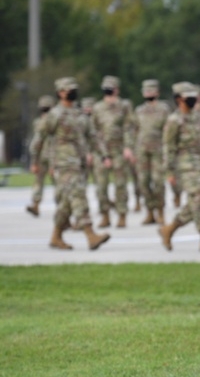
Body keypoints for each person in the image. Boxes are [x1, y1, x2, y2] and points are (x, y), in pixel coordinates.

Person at [30, 77, 112, 251]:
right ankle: (91, 234)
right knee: (78, 195)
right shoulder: (54, 115)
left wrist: (104, 155)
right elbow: (39, 139)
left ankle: (56, 236)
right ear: (60, 93)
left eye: (74, 89)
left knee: (67, 202)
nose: (73, 92)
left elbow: (93, 136)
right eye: (69, 89)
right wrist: (35, 161)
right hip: (64, 163)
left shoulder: (80, 114)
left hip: (80, 163)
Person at [160, 82, 200, 252]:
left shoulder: (199, 117)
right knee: (199, 200)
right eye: (188, 97)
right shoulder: (174, 121)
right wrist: (169, 171)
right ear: (179, 99)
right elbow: (169, 147)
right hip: (186, 167)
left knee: (196, 203)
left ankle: (169, 229)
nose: (193, 100)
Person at [91, 76, 136, 229]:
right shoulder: (97, 108)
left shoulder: (124, 106)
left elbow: (129, 127)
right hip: (101, 151)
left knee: (120, 185)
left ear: (117, 89)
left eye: (112, 88)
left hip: (119, 150)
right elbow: (93, 132)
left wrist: (128, 147)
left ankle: (122, 215)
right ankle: (105, 215)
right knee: (101, 186)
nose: (109, 91)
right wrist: (100, 154)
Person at [133, 79, 171, 225]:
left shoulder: (164, 109)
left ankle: (160, 211)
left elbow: (168, 129)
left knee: (158, 182)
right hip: (142, 150)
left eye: (151, 90)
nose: (148, 93)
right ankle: (150, 211)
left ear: (157, 92)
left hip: (158, 150)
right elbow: (134, 130)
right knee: (143, 181)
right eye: (146, 90)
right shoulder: (139, 110)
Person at [26, 95, 56, 217]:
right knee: (39, 181)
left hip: (53, 156)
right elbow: (37, 143)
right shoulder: (40, 122)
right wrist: (34, 162)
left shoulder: (52, 122)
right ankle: (36, 205)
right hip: (45, 156)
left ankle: (63, 209)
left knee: (57, 183)